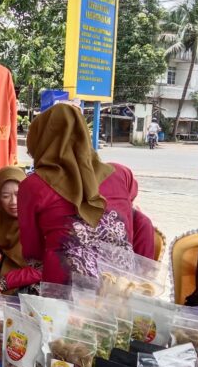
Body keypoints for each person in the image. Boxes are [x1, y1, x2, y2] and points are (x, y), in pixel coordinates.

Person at [18, 104, 130, 285]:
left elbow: (33, 251)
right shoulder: (121, 174)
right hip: (121, 290)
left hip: (63, 293)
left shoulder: (32, 187)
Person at [0, 166, 42, 294]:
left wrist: (6, 281)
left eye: (18, 194)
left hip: (34, 281)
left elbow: (43, 268)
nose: (13, 202)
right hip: (4, 275)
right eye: (6, 196)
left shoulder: (38, 217)